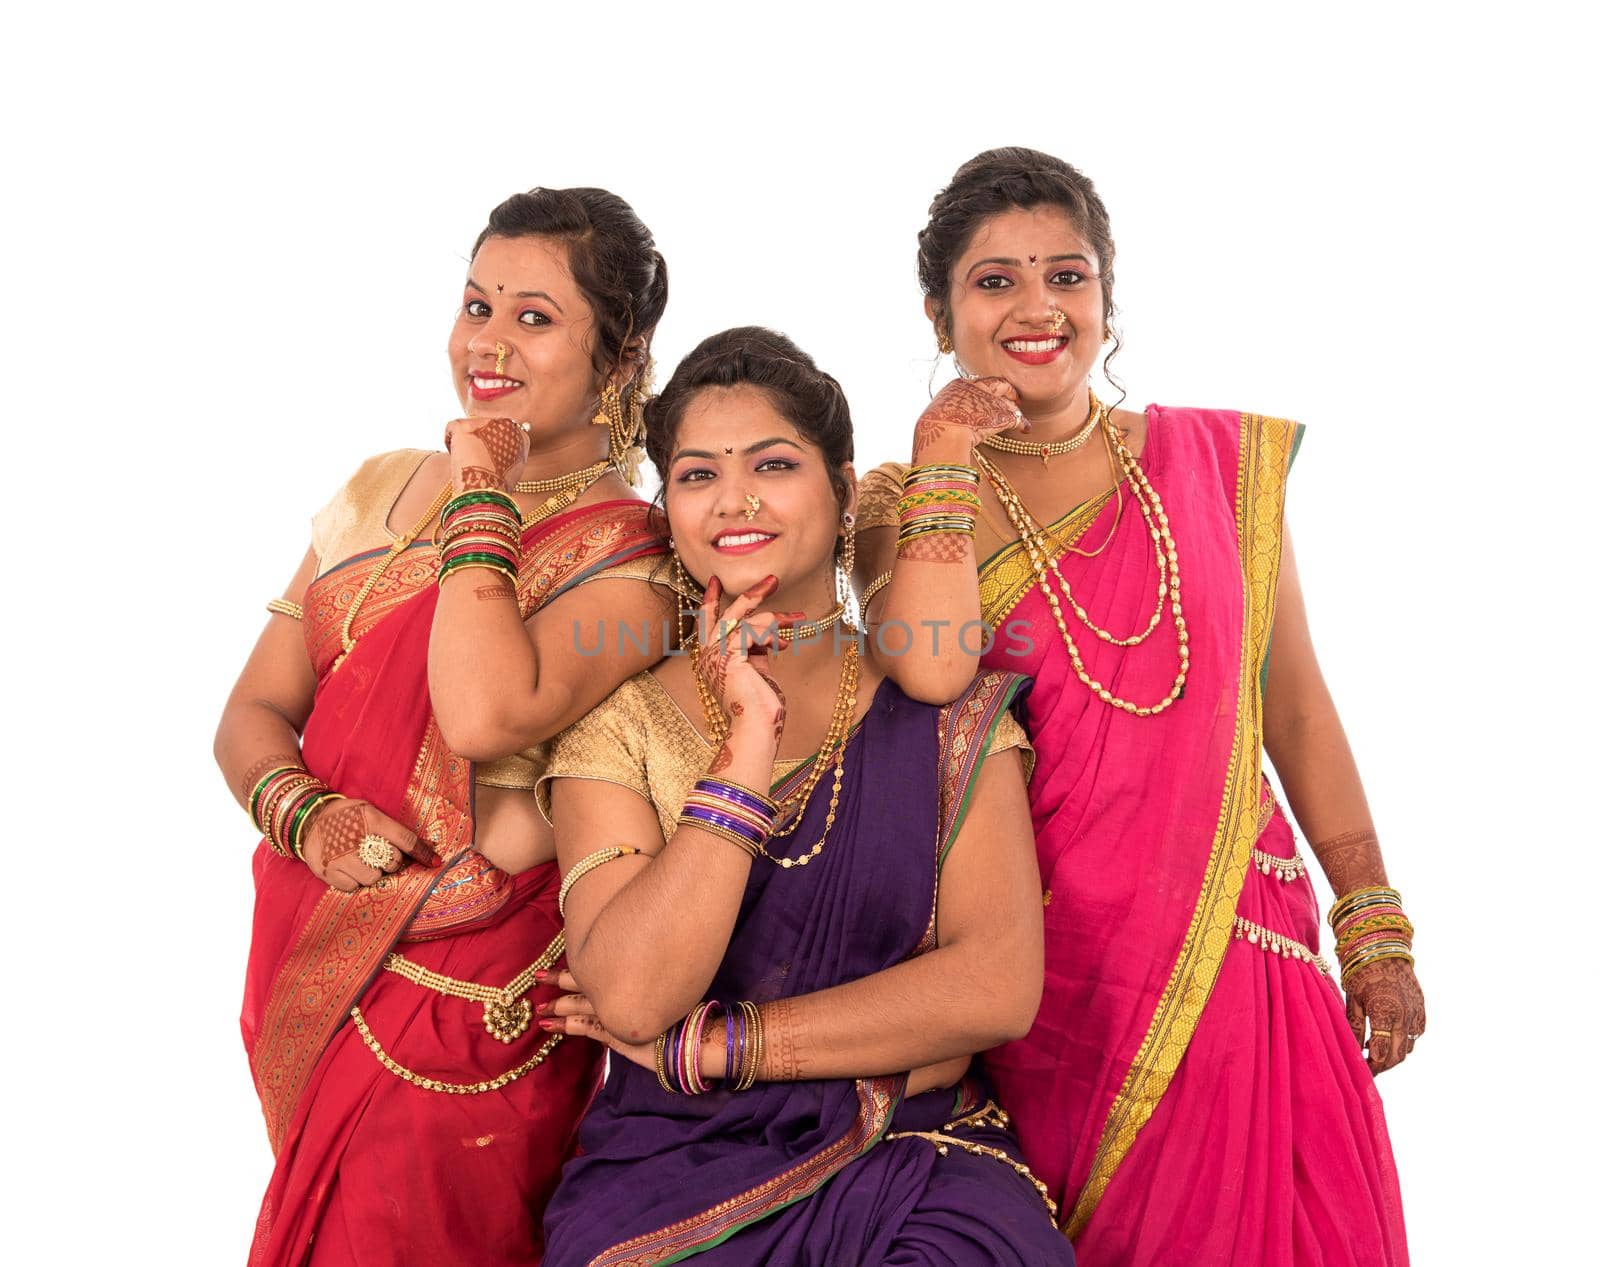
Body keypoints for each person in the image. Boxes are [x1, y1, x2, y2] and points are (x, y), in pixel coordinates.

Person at [855, 148, 1421, 1265]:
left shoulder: (1213, 463)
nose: (1037, 308)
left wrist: (1372, 921)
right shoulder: (902, 499)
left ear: (1107, 296)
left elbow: (1293, 705)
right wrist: (948, 461)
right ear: (937, 315)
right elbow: (932, 667)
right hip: (1053, 980)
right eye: (994, 281)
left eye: (1066, 277)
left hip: (1241, 951)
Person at [533, 328, 1073, 1266]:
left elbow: (994, 985)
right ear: (670, 511)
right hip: (665, 1172)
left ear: (844, 488)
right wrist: (744, 750)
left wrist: (716, 1048)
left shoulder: (949, 720)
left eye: (773, 465)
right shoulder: (616, 723)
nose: (736, 499)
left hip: (914, 1156)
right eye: (698, 475)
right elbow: (630, 991)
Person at [215, 185, 677, 1266]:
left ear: (620, 357)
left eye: (534, 317)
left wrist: (483, 493)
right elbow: (254, 710)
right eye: (477, 305)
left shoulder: (639, 558)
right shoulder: (379, 484)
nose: (490, 343)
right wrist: (306, 815)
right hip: (312, 954)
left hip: (470, 1012)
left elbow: (487, 726)